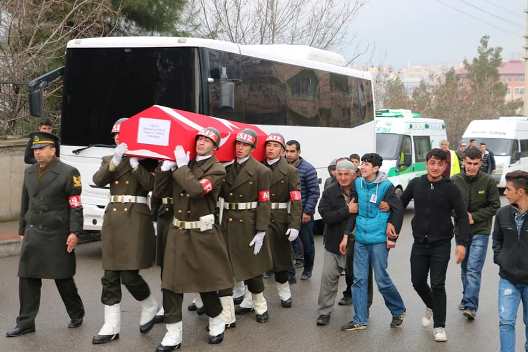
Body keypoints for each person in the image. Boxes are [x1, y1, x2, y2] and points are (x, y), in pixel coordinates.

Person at [156, 127, 234, 350]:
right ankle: (173, 333)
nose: (201, 142)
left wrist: (180, 167)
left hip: (201, 233)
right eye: (199, 138)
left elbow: (196, 190)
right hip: (178, 231)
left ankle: (217, 318)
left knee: (206, 282)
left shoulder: (217, 169)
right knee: (170, 284)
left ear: (215, 147)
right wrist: (165, 168)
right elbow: (160, 192)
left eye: (207, 140)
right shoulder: (185, 163)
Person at [6, 132, 85, 337]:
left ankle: (76, 312)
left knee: (62, 278)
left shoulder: (68, 172)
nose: (37, 153)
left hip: (56, 233)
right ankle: (26, 322)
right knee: (27, 277)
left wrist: (75, 232)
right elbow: (26, 201)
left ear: (53, 150)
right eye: (35, 150)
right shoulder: (29, 172)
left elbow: (75, 205)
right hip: (34, 231)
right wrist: (22, 229)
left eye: (41, 149)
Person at [92, 118, 158, 344]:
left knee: (129, 274)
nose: (118, 138)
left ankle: (150, 304)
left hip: (135, 218)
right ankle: (111, 325)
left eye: (122, 134)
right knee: (110, 275)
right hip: (113, 219)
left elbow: (151, 186)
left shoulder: (147, 159)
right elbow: (98, 180)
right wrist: (116, 161)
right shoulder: (109, 159)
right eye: (115, 135)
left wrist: (136, 164)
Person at [400, 148, 470, 342]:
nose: (436, 167)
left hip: (441, 243)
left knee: (438, 283)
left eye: (440, 164)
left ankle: (439, 326)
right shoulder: (416, 184)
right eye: (432, 163)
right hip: (420, 243)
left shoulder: (451, 188)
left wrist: (461, 243)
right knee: (417, 281)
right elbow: (400, 204)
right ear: (427, 163)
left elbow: (462, 216)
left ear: (445, 166)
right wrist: (389, 213)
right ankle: (431, 305)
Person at [342, 153, 405, 332]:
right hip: (361, 239)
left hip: (378, 240)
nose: (362, 167)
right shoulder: (358, 183)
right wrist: (347, 234)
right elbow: (354, 210)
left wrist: (393, 228)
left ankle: (398, 310)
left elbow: (398, 209)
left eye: (367, 164)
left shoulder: (386, 186)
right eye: (362, 163)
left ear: (376, 168)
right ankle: (360, 319)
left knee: (381, 279)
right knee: (359, 279)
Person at [219, 128, 273, 324]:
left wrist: (261, 230)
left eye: (245, 145)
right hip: (228, 221)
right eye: (238, 144)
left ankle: (260, 304)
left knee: (252, 268)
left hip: (248, 222)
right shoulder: (226, 169)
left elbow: (264, 201)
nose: (240, 148)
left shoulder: (261, 171)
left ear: (252, 148)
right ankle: (227, 314)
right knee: (224, 269)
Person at [451, 147, 500, 320]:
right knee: (465, 268)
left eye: (475, 164)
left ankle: (471, 306)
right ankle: (466, 298)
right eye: (469, 163)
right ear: (463, 162)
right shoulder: (455, 180)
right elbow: (448, 205)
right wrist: (461, 216)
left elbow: (495, 206)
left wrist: (475, 217)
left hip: (481, 230)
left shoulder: (489, 181)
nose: (471, 167)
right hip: (461, 231)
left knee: (473, 268)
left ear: (481, 163)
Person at [316, 159, 357, 326]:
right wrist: (347, 210)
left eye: (346, 174)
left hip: (357, 243)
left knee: (358, 279)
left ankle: (362, 313)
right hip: (333, 242)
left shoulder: (361, 191)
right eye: (339, 174)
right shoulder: (329, 192)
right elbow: (326, 217)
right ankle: (324, 312)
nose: (343, 177)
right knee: (328, 278)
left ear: (354, 175)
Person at [264, 133, 302, 307]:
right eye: (268, 145)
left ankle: (284, 291)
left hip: (279, 219)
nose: (271, 148)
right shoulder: (258, 167)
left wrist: (295, 225)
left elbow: (295, 199)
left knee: (280, 260)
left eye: (275, 145)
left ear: (282, 150)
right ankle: (252, 297)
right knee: (255, 260)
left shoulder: (290, 171)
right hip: (259, 216)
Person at [493, 170, 528, 352]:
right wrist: (501, 259)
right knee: (506, 322)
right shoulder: (502, 214)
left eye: (508, 189)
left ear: (521, 192)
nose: (504, 193)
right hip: (508, 279)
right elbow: (497, 240)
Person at [286, 140, 320, 280]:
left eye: (292, 151)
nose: (288, 154)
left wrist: (307, 211)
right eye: (286, 151)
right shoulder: (281, 166)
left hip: (303, 212)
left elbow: (314, 192)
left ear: (299, 152)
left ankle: (308, 269)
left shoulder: (308, 169)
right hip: (285, 212)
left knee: (307, 244)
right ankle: (289, 272)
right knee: (285, 243)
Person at [150, 158, 177, 325]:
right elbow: (157, 192)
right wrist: (154, 217)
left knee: (192, 262)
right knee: (166, 264)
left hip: (185, 214)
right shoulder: (162, 164)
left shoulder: (190, 163)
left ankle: (200, 297)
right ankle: (167, 305)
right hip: (165, 215)